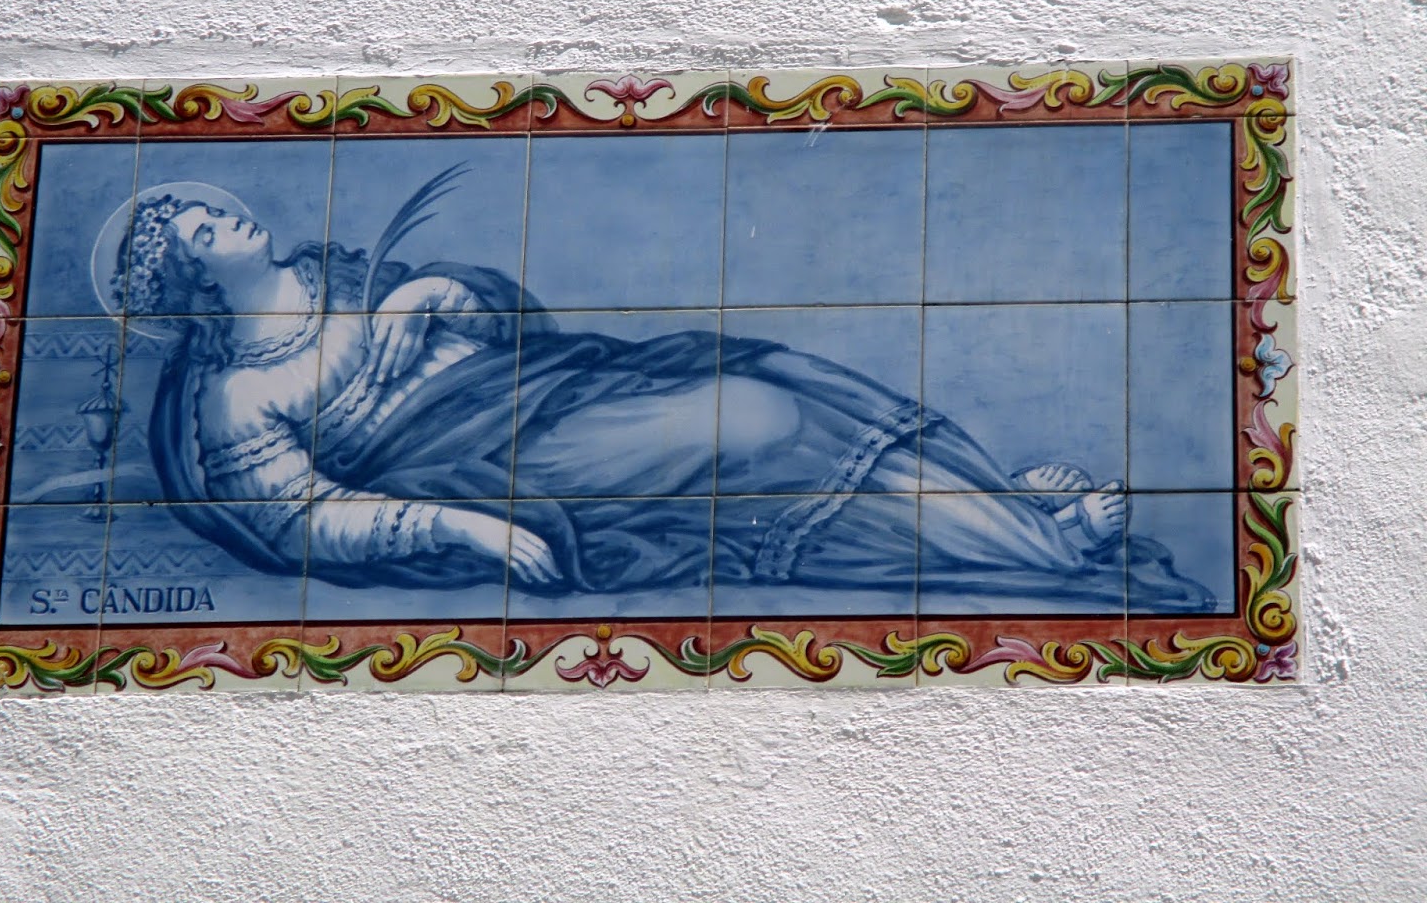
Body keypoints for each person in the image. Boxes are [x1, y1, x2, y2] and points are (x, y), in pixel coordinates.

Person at [117, 177, 1211, 614]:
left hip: (557, 393)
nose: (226, 219)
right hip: (499, 470)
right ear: (188, 282)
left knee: (773, 387)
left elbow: (514, 329)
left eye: (213, 210)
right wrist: (467, 529)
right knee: (751, 420)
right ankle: (1033, 538)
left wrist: (444, 293)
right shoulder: (231, 400)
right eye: (201, 232)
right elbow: (306, 520)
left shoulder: (345, 275)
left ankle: (1016, 517)